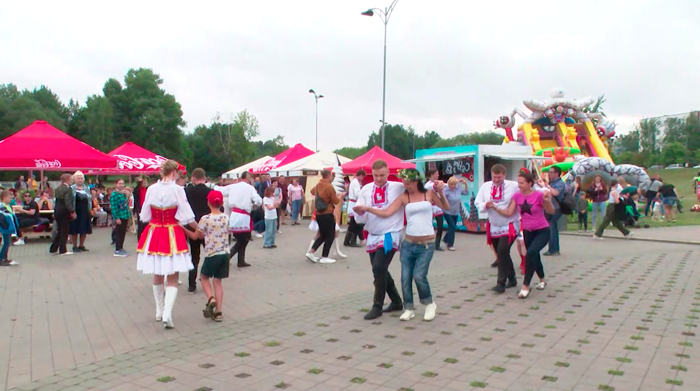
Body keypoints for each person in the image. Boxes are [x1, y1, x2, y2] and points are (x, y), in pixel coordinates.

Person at [355, 168, 449, 321]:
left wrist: (441, 193)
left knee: (419, 276)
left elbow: (446, 207)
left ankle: (429, 303)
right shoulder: (404, 197)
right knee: (405, 278)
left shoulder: (429, 193)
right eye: (404, 183)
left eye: (409, 183)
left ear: (416, 181)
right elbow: (386, 212)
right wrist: (367, 209)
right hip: (409, 243)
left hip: (427, 244)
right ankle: (408, 307)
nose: (406, 186)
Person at [137, 160, 198, 329]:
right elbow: (187, 216)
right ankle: (166, 314)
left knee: (157, 272)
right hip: (172, 232)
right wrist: (200, 228)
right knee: (173, 274)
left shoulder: (151, 189)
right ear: (174, 173)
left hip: (154, 232)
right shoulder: (178, 190)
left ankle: (159, 310)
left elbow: (144, 216)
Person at [353, 160, 404, 320]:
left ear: (388, 173)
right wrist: (359, 212)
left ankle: (377, 305)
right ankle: (396, 301)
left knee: (379, 267)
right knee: (379, 270)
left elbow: (416, 188)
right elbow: (359, 219)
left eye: (382, 175)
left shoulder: (398, 187)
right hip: (373, 234)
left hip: (391, 233)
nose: (379, 178)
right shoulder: (366, 190)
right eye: (375, 175)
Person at [493, 169, 554, 299]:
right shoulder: (517, 196)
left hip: (542, 230)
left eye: (521, 183)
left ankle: (525, 286)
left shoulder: (538, 195)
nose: (519, 185)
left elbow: (551, 211)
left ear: (530, 183)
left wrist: (548, 200)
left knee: (531, 253)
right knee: (534, 255)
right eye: (518, 182)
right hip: (527, 231)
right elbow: (509, 213)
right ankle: (542, 279)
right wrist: (494, 208)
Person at [475, 164, 520, 293]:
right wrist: (485, 205)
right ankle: (512, 278)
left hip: (510, 224)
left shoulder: (513, 186)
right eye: (494, 177)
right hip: (494, 225)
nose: (496, 180)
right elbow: (477, 202)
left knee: (502, 250)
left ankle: (501, 283)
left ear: (504, 176)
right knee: (502, 253)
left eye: (499, 177)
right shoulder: (486, 186)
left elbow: (527, 188)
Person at [194, 190, 229, 322]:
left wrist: (182, 228)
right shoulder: (226, 217)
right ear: (222, 203)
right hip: (225, 253)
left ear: (208, 203)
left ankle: (211, 298)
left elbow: (196, 236)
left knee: (204, 278)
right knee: (218, 282)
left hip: (212, 254)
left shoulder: (205, 219)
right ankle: (219, 312)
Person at [306, 169, 343, 263]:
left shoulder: (318, 185)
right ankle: (324, 256)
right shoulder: (329, 186)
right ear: (328, 175)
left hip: (318, 213)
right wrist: (339, 197)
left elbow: (312, 192)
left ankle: (311, 252)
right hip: (327, 213)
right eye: (331, 175)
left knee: (322, 234)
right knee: (330, 235)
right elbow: (335, 201)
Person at [185, 168, 212, 294]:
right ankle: (206, 277)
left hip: (192, 226)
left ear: (193, 178)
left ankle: (191, 284)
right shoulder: (210, 192)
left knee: (194, 256)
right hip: (208, 227)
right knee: (210, 253)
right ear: (205, 177)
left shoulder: (188, 191)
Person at [228, 171, 262, 268]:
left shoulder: (233, 186)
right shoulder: (249, 188)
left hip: (235, 214)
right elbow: (258, 200)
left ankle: (241, 260)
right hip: (243, 216)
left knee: (244, 238)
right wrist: (256, 204)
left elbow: (221, 190)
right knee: (242, 239)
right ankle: (228, 257)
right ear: (248, 178)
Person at [539, 166, 565, 256]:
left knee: (552, 227)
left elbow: (555, 193)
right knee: (552, 228)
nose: (549, 174)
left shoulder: (560, 183)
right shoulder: (552, 183)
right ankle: (554, 249)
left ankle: (553, 250)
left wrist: (546, 186)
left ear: (556, 173)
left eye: (551, 172)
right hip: (550, 207)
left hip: (556, 208)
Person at [49, 174, 76, 256]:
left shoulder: (58, 188)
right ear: (67, 179)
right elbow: (67, 201)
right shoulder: (67, 189)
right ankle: (63, 249)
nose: (72, 180)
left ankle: (54, 248)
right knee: (64, 230)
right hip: (64, 211)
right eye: (71, 179)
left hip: (57, 210)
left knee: (60, 230)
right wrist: (72, 211)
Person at [442, 176, 468, 251]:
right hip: (447, 211)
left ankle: (445, 239)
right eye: (452, 184)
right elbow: (442, 199)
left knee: (452, 227)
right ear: (449, 184)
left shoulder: (458, 189)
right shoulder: (446, 190)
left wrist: (465, 184)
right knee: (452, 226)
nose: (453, 186)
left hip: (455, 211)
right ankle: (450, 245)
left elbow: (466, 193)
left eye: (454, 184)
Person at [69, 171, 93, 252]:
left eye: (81, 178)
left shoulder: (87, 188)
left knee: (84, 229)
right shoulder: (71, 188)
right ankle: (74, 246)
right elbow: (69, 201)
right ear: (74, 179)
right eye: (78, 178)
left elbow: (90, 200)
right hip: (75, 211)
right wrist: (71, 211)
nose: (80, 180)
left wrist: (90, 210)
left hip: (85, 211)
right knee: (74, 229)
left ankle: (81, 245)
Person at [344, 170, 367, 247]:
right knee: (355, 224)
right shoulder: (356, 182)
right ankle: (352, 241)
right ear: (360, 175)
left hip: (352, 203)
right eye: (363, 176)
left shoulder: (353, 182)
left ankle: (347, 240)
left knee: (352, 224)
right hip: (354, 203)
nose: (363, 178)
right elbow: (357, 194)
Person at [425, 169, 445, 251]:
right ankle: (427, 243)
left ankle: (437, 244)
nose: (437, 175)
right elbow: (435, 187)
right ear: (431, 175)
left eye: (438, 173)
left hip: (438, 207)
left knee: (440, 227)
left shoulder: (437, 182)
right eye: (436, 174)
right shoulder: (428, 185)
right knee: (428, 227)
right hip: (430, 207)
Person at [110, 179, 131, 257]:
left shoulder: (124, 194)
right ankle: (118, 249)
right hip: (119, 216)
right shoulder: (114, 195)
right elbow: (114, 207)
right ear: (116, 184)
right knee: (119, 233)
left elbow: (126, 204)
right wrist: (116, 217)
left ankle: (121, 248)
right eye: (120, 183)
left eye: (122, 183)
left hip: (125, 215)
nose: (121, 185)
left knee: (123, 233)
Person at [0, 191, 19, 266]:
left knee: (8, 243)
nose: (11, 199)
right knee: (6, 243)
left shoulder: (9, 206)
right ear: (4, 198)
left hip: (10, 228)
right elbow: (2, 219)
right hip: (6, 229)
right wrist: (5, 227)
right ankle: (2, 258)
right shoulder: (2, 207)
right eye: (9, 198)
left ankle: (5, 257)